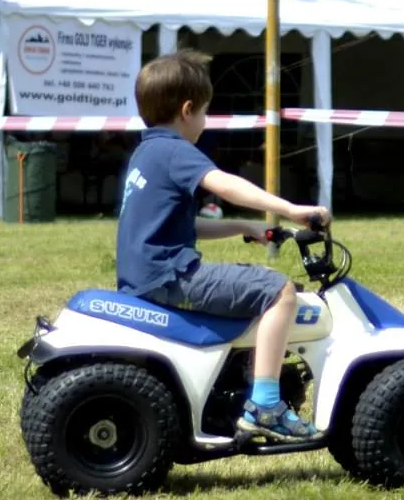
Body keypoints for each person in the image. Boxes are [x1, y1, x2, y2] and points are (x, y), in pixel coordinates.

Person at [116, 49, 330, 441]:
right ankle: (266, 405)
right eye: (204, 112)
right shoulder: (176, 150)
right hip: (172, 277)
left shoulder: (146, 152)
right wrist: (291, 209)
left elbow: (179, 226)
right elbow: (225, 184)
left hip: (146, 276)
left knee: (256, 283)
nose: (205, 121)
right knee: (279, 291)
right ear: (187, 110)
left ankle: (248, 374)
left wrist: (242, 226)